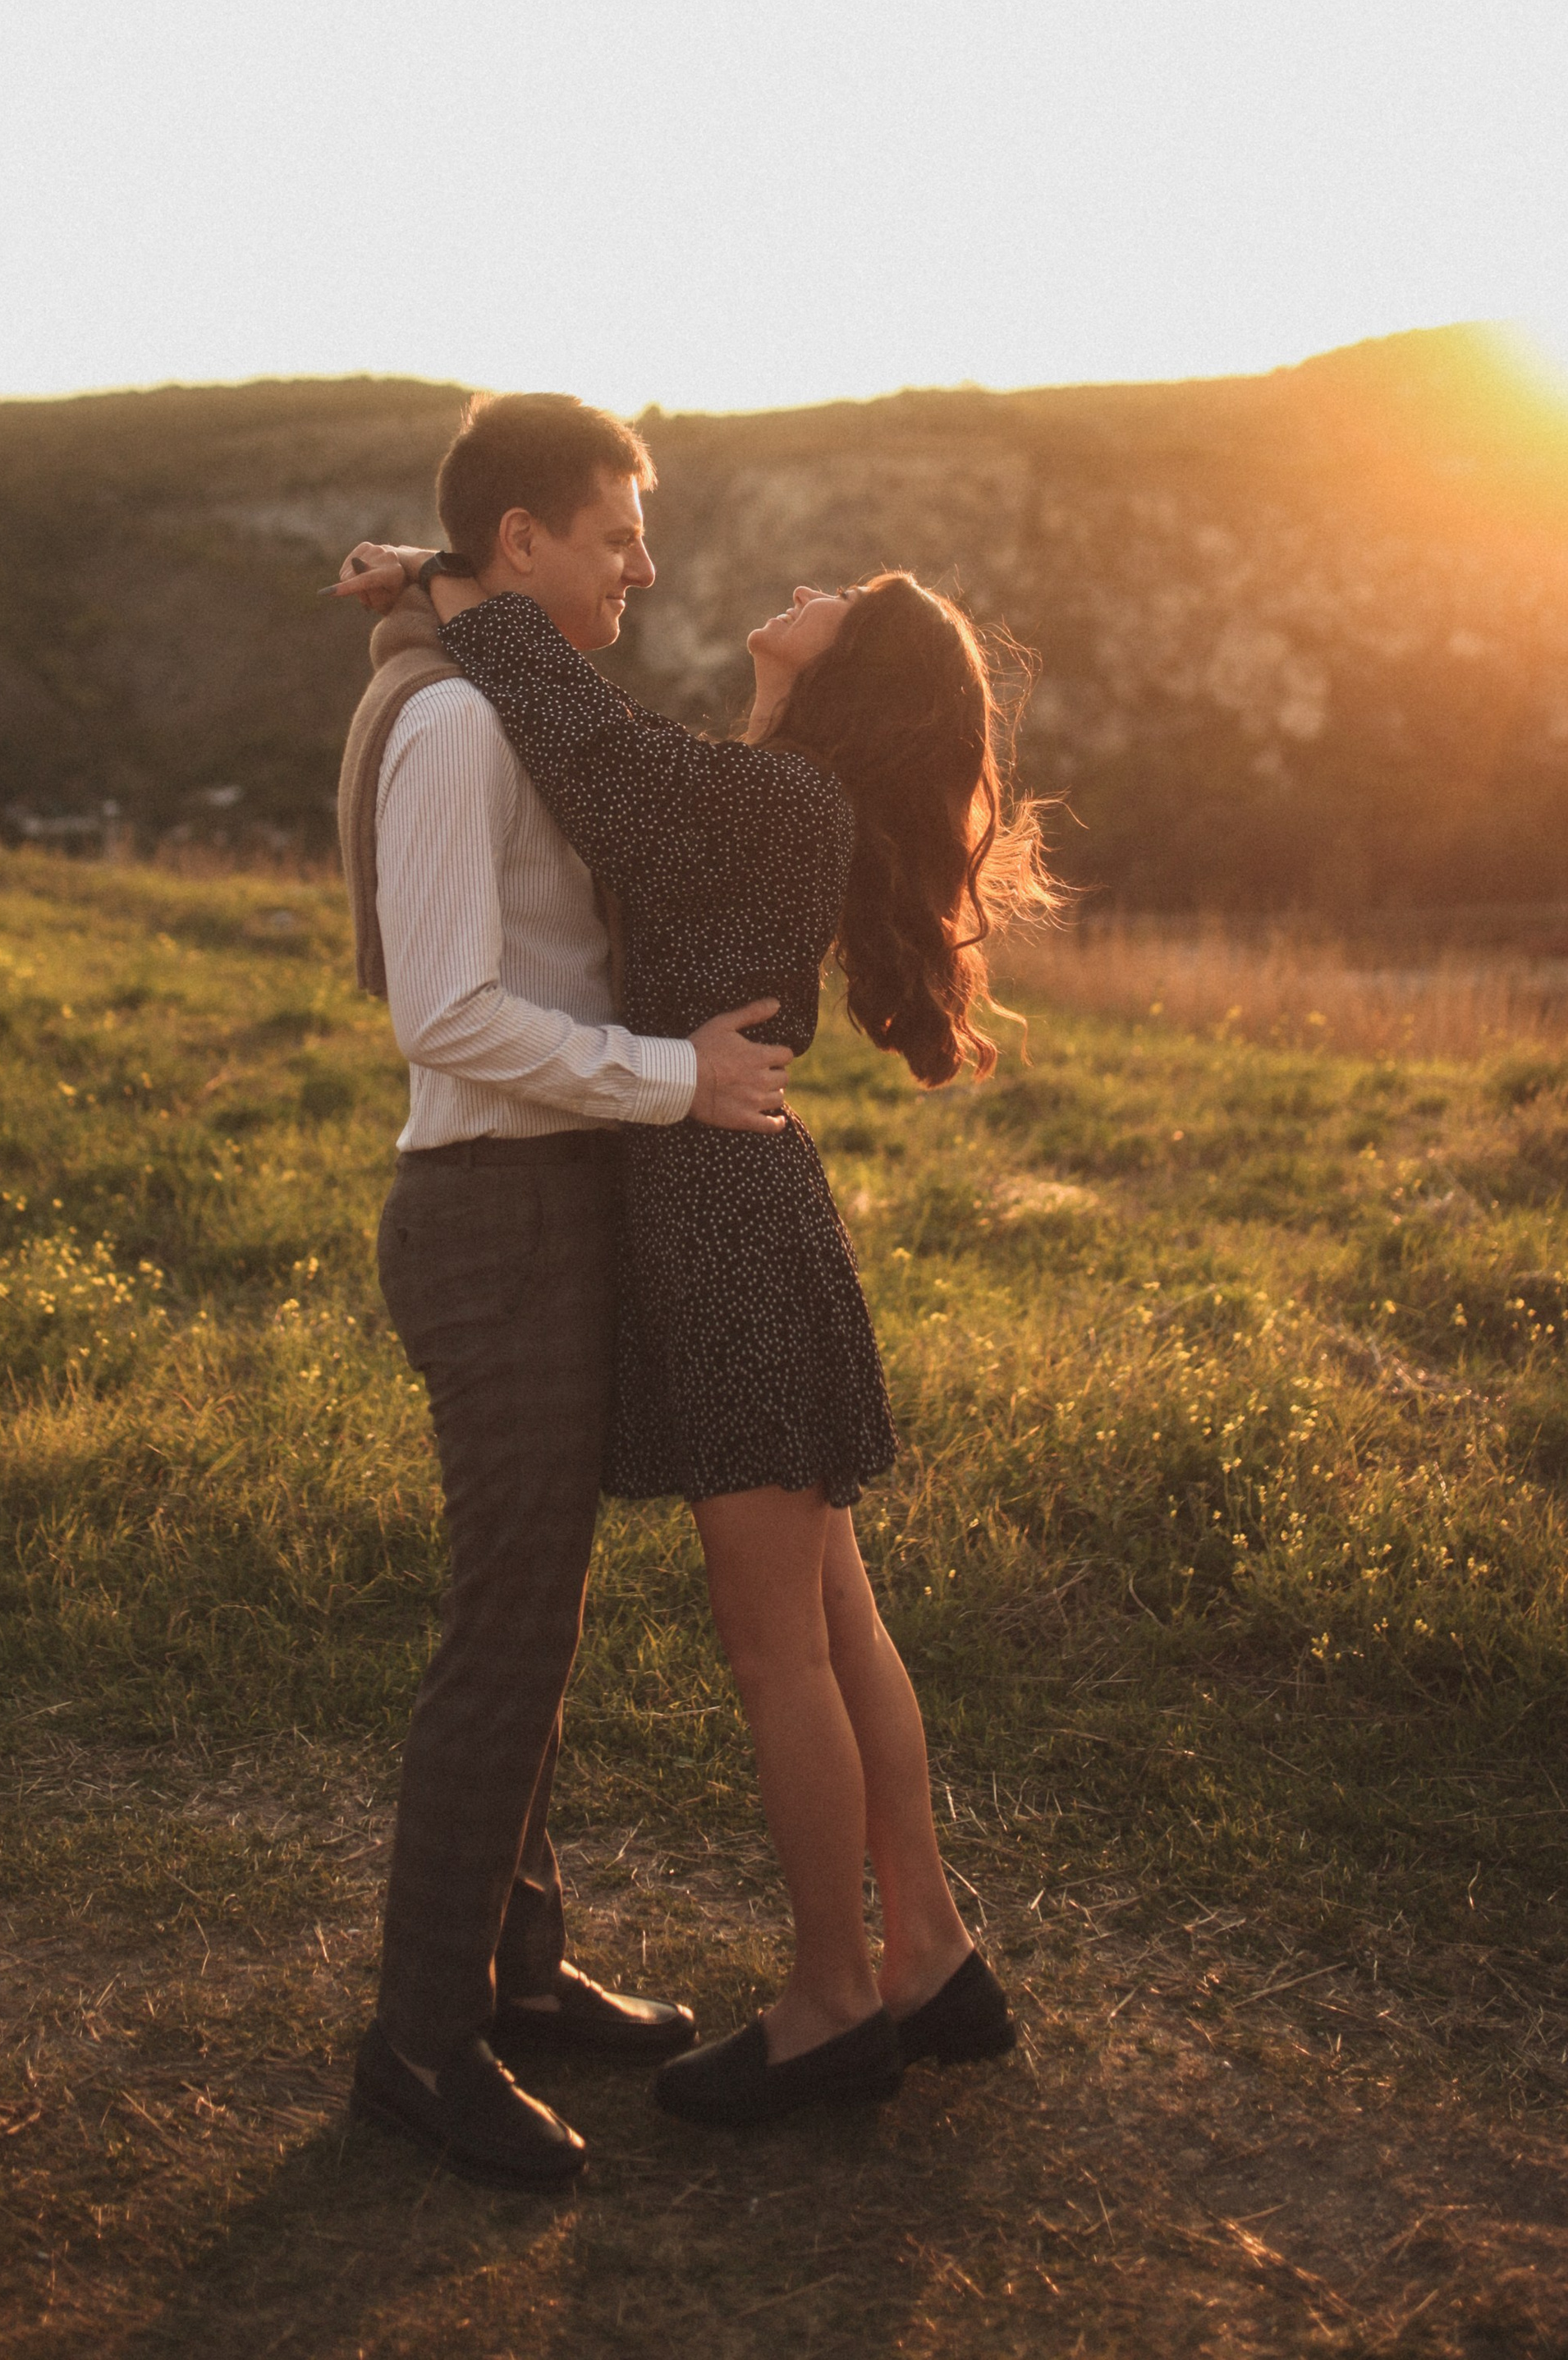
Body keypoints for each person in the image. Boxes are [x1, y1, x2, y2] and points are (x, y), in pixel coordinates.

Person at [334, 530, 1058, 2135]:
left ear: (849, 668)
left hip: (728, 1240)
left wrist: (459, 586)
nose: (810, 588)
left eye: (846, 601)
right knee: (838, 1629)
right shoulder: (774, 788)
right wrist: (452, 582)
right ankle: (926, 1953)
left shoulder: (775, 802)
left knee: (778, 1649)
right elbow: (607, 764)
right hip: (742, 1220)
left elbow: (583, 749)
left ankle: (827, 2003)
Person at [340, 394, 797, 2194]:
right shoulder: (454, 728)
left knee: (540, 1622)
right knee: (503, 1638)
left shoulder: (494, 678)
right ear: (519, 544)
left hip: (538, 1208)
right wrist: (670, 1078)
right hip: (490, 1217)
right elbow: (440, 1013)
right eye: (615, 530)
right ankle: (414, 2042)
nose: (646, 561)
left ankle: (515, 1979)